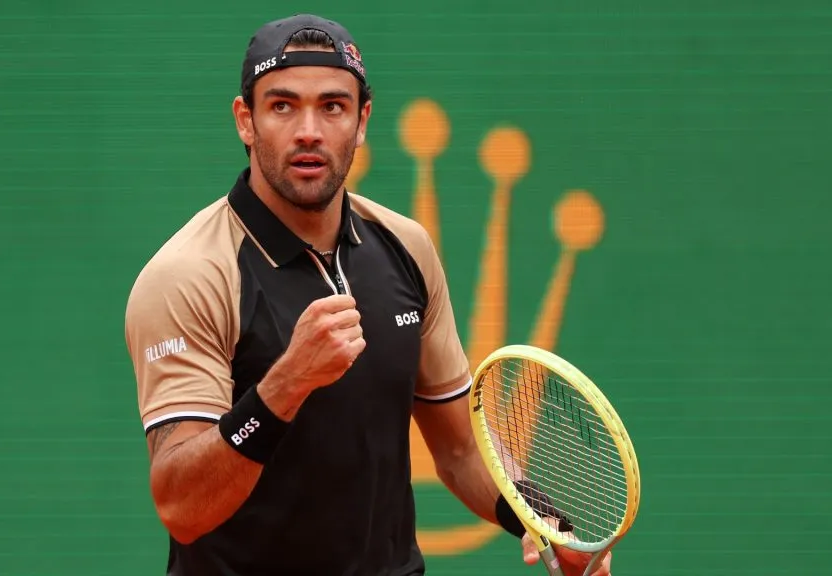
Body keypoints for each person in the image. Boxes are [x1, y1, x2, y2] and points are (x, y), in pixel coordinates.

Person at [123, 13, 614, 576]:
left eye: (332, 107)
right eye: (282, 106)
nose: (309, 130)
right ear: (246, 121)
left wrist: (548, 524)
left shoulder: (406, 247)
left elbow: (457, 450)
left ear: (362, 121)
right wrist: (285, 385)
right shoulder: (189, 275)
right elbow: (183, 506)